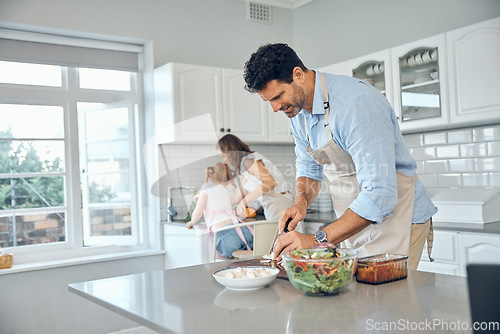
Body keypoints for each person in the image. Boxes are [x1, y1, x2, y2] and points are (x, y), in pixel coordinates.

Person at [243, 43, 437, 269]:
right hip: (356, 223)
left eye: (278, 96)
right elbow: (308, 167)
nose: (275, 108)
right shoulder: (297, 113)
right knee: (359, 300)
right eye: (269, 102)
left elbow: (380, 193)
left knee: (390, 301)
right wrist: (301, 202)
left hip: (397, 218)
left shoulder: (355, 104)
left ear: (298, 74)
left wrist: (315, 240)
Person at [216, 134, 295, 225]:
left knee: (283, 237)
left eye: (224, 156)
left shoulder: (248, 161)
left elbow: (270, 182)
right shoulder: (245, 168)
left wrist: (244, 201)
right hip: (275, 204)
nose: (224, 160)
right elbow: (237, 198)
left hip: (280, 203)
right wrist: (215, 202)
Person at [186, 163, 254, 258]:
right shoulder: (223, 190)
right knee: (241, 256)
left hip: (225, 236)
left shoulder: (206, 187)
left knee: (226, 257)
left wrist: (191, 222)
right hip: (241, 230)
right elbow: (218, 202)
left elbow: (198, 212)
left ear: (211, 176)